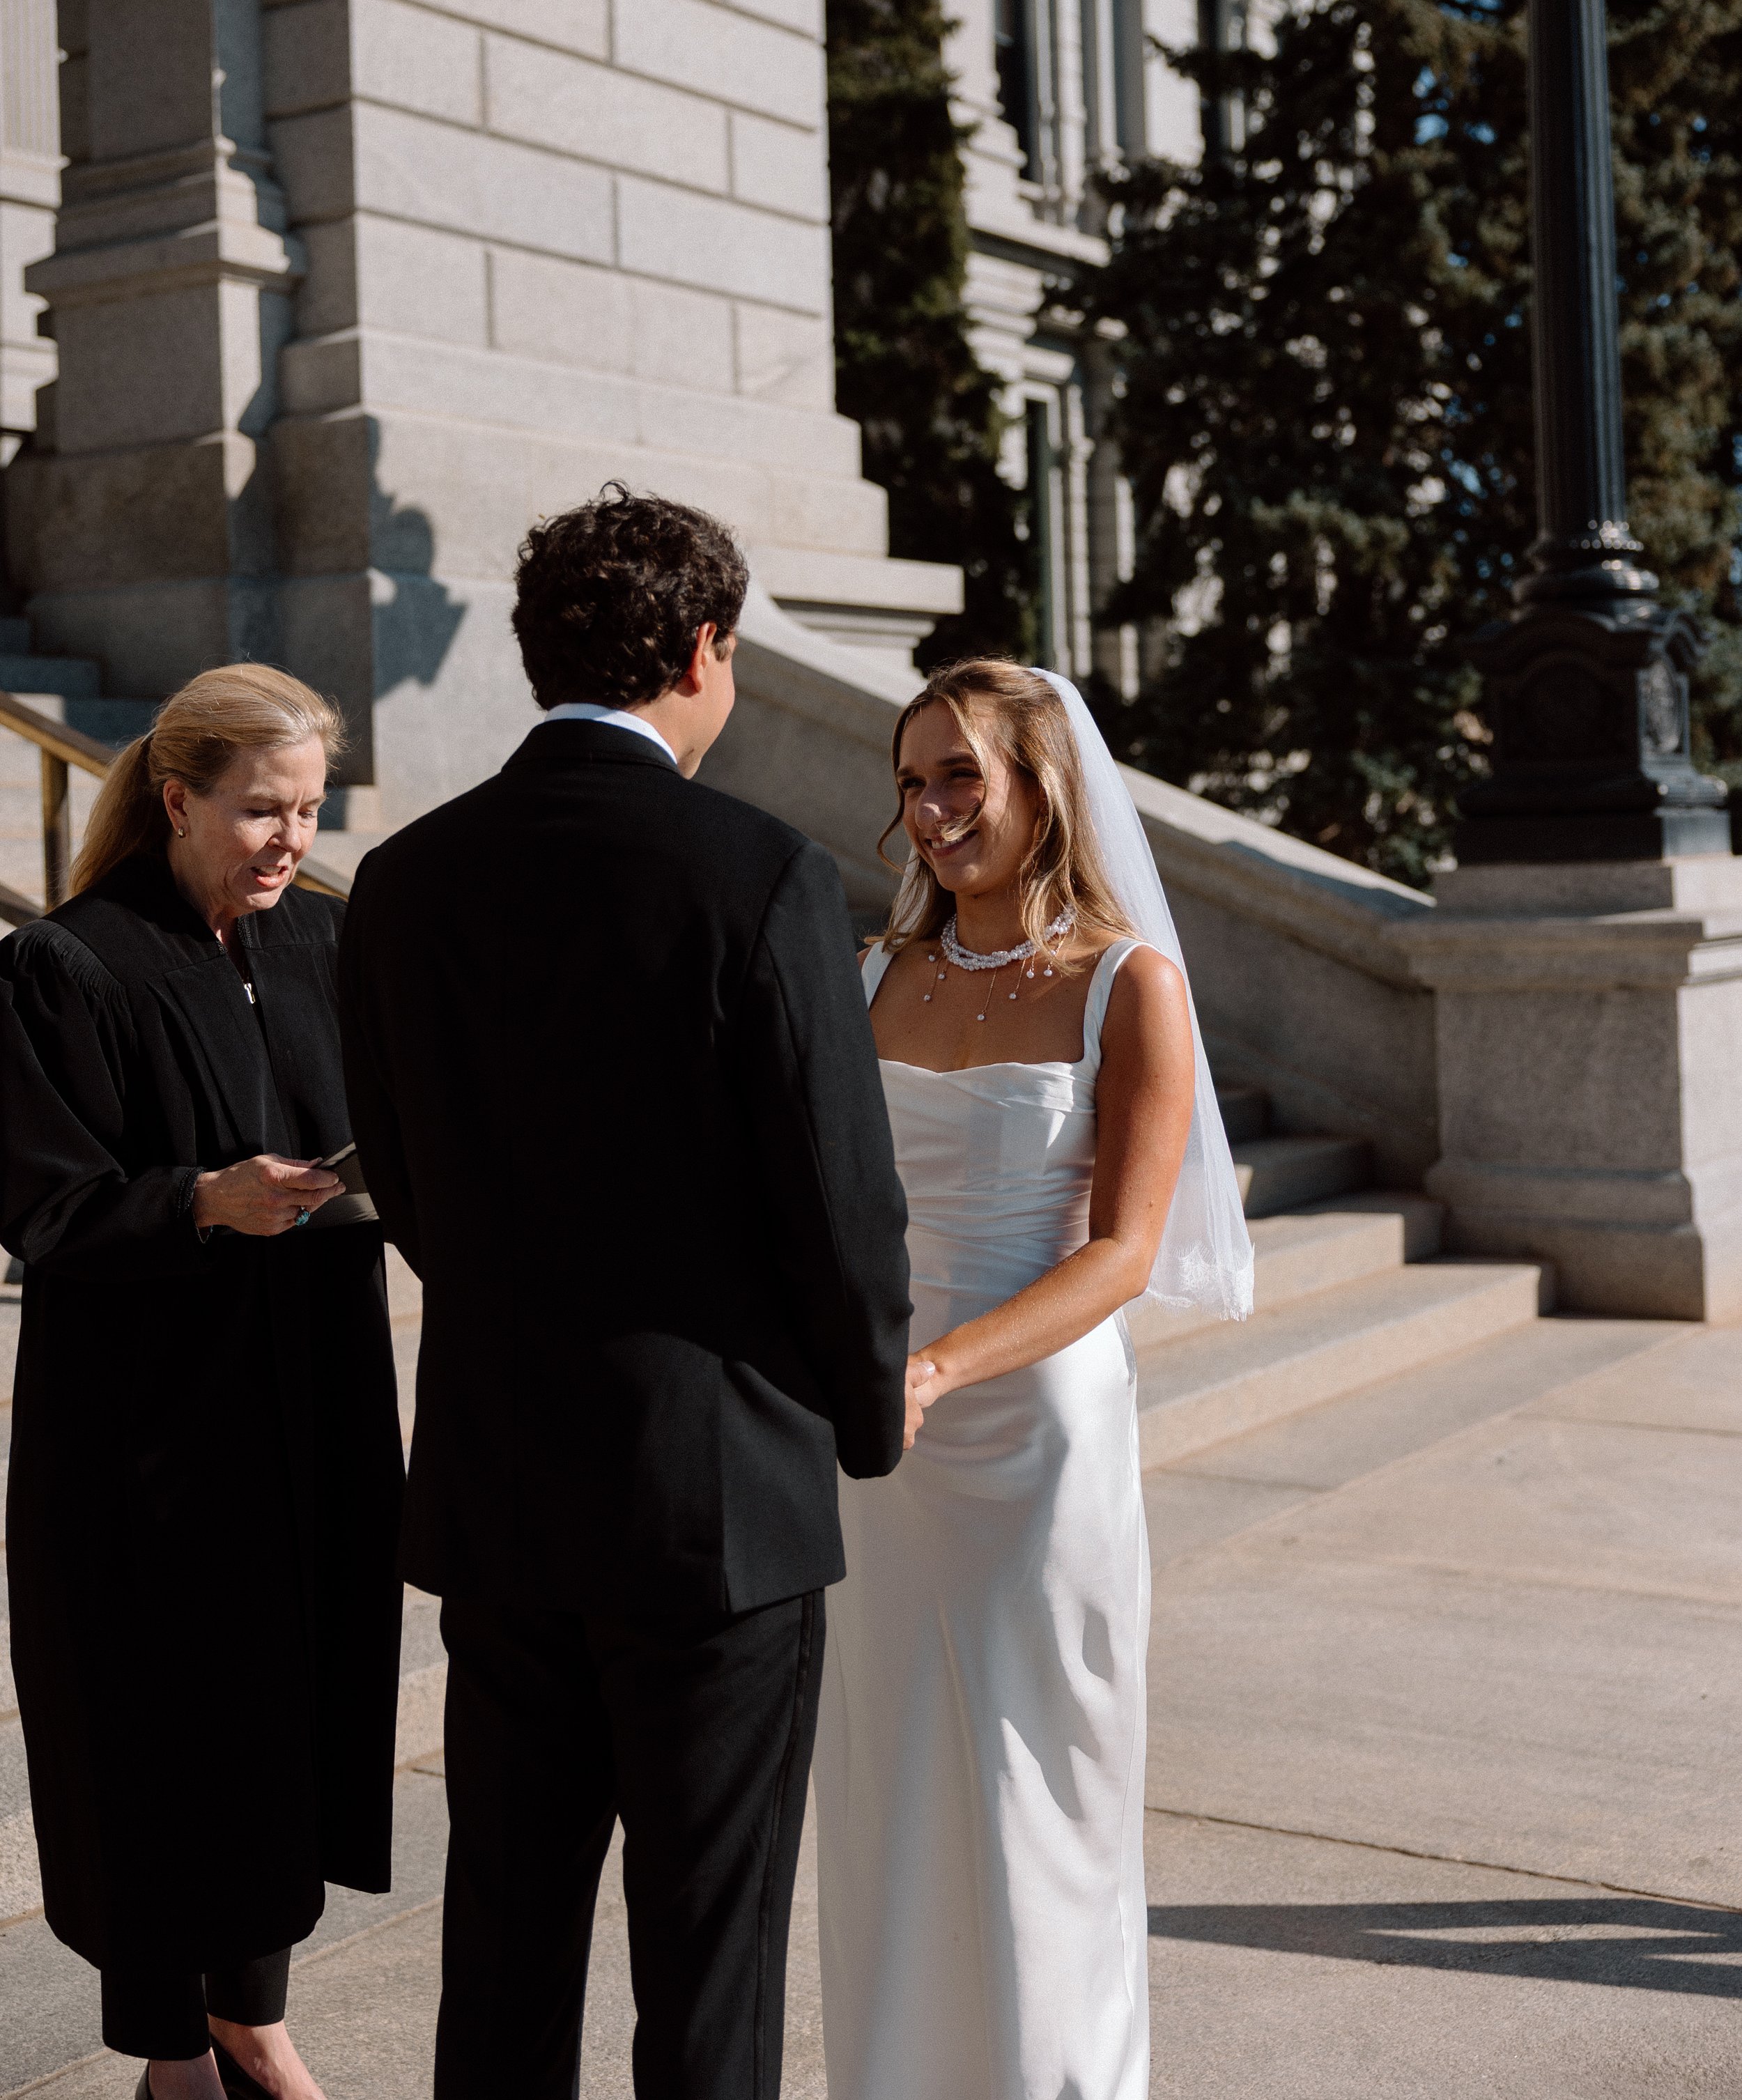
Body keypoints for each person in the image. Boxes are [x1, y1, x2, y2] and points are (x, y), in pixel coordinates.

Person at [337, 484, 912, 2100]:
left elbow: (407, 1178)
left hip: (500, 1479)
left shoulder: (404, 879)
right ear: (704, 651)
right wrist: (861, 1420)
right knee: (706, 1965)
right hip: (714, 1501)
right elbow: (843, 1209)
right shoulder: (762, 876)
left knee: (505, 1947)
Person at [813, 659, 1254, 2100]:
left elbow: (1124, 1250)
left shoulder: (1128, 984)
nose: (930, 811)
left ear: (1041, 789)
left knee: (1033, 1794)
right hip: (876, 1444)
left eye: (960, 776)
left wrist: (935, 1366)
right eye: (910, 782)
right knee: (885, 1793)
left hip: (1030, 1432)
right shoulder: (870, 974)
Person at [0, 665, 406, 2100]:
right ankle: (172, 2047)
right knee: (155, 1734)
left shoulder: (325, 944)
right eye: (258, 810)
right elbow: (46, 1209)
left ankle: (252, 2014)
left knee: (283, 1710)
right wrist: (197, 1202)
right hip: (145, 1432)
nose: (287, 839)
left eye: (306, 809)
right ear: (177, 798)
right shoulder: (72, 963)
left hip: (311, 1395)